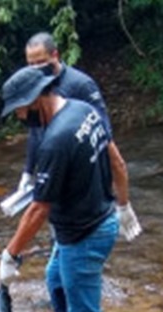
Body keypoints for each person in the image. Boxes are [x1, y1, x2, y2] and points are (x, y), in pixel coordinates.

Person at [0, 66, 142, 312]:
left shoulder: (56, 141)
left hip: (85, 234)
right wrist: (122, 204)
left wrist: (11, 254)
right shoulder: (84, 111)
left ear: (35, 99)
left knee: (83, 310)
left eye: (20, 108)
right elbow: (117, 161)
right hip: (91, 221)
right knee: (55, 281)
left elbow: (38, 209)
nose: (19, 116)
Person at [18, 32, 110, 193]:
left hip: (83, 172)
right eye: (30, 65)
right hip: (54, 168)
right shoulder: (34, 90)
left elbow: (104, 131)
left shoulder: (81, 85)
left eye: (41, 63)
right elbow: (35, 133)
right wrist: (28, 172)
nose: (35, 70)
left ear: (55, 55)